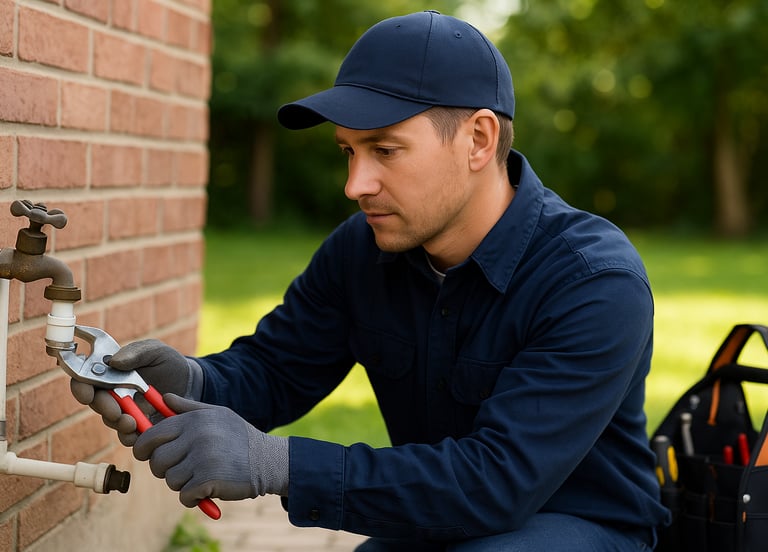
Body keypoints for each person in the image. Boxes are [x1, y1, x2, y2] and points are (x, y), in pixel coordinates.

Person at [71, 10, 670, 551]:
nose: (356, 185)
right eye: (348, 152)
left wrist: (275, 463)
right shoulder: (362, 248)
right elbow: (279, 368)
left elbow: (497, 481)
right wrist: (194, 381)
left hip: (583, 526)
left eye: (385, 150)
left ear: (479, 141)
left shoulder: (594, 280)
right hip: (439, 518)